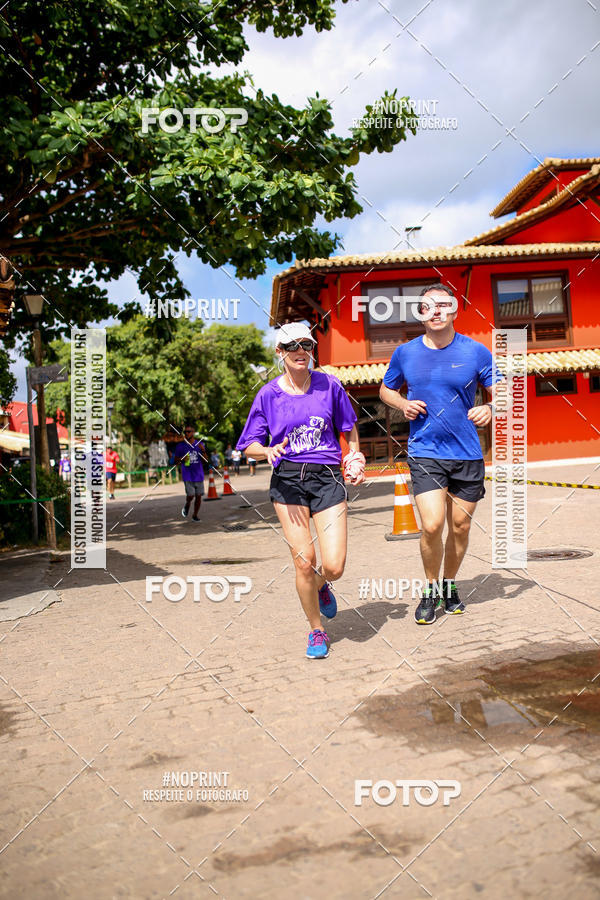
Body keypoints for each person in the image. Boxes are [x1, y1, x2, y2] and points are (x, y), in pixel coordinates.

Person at [236, 321, 365, 659]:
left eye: (306, 345)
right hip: (288, 479)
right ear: (280, 352)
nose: (300, 352)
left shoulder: (330, 386)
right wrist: (266, 452)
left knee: (334, 565)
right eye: (292, 346)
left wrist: (355, 456)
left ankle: (322, 587)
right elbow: (247, 444)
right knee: (304, 561)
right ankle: (316, 630)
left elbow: (349, 430)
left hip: (326, 477)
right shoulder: (268, 394)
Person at [380, 282, 501, 625]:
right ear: (420, 314)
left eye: (441, 305)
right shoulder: (405, 353)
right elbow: (385, 389)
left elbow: (501, 392)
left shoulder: (476, 352)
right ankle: (431, 589)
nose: (434, 311)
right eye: (427, 307)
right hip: (425, 450)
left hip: (466, 453)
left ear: (454, 310)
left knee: (460, 527)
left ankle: (449, 586)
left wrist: (490, 408)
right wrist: (402, 403)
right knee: (432, 525)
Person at [174, 424, 207, 521]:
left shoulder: (199, 445)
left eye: (189, 432)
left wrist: (203, 451)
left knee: (198, 496)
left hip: (198, 475)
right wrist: (182, 459)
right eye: (185, 432)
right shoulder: (181, 446)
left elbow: (205, 460)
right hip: (187, 474)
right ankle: (187, 504)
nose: (187, 433)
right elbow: (176, 461)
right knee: (191, 495)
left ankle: (195, 515)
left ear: (193, 433)